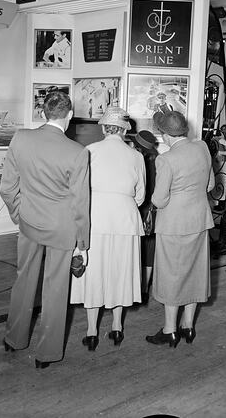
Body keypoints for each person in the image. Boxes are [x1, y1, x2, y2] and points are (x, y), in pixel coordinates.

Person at [0, 91, 90, 369]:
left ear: (43, 114)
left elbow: (7, 187)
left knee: (23, 280)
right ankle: (46, 354)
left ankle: (14, 339)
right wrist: (82, 243)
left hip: (29, 223)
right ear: (69, 116)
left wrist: (18, 214)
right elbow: (80, 204)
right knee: (55, 290)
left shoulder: (21, 138)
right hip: (61, 229)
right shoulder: (78, 153)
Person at [70, 106, 145, 350]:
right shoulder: (136, 156)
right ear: (125, 131)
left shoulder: (89, 150)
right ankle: (116, 327)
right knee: (120, 272)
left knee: (94, 274)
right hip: (126, 220)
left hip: (96, 219)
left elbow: (79, 189)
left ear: (103, 128)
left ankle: (92, 331)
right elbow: (140, 196)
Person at [146, 111, 215, 348]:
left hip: (174, 224)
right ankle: (188, 326)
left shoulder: (166, 159)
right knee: (195, 272)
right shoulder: (202, 148)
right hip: (199, 220)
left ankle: (169, 330)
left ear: (165, 135)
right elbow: (211, 185)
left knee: (171, 275)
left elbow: (159, 200)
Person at [132, 130, 158, 304]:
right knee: (149, 250)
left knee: (136, 249)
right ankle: (144, 289)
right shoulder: (158, 160)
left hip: (139, 209)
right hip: (153, 210)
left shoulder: (136, 161)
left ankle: (135, 288)